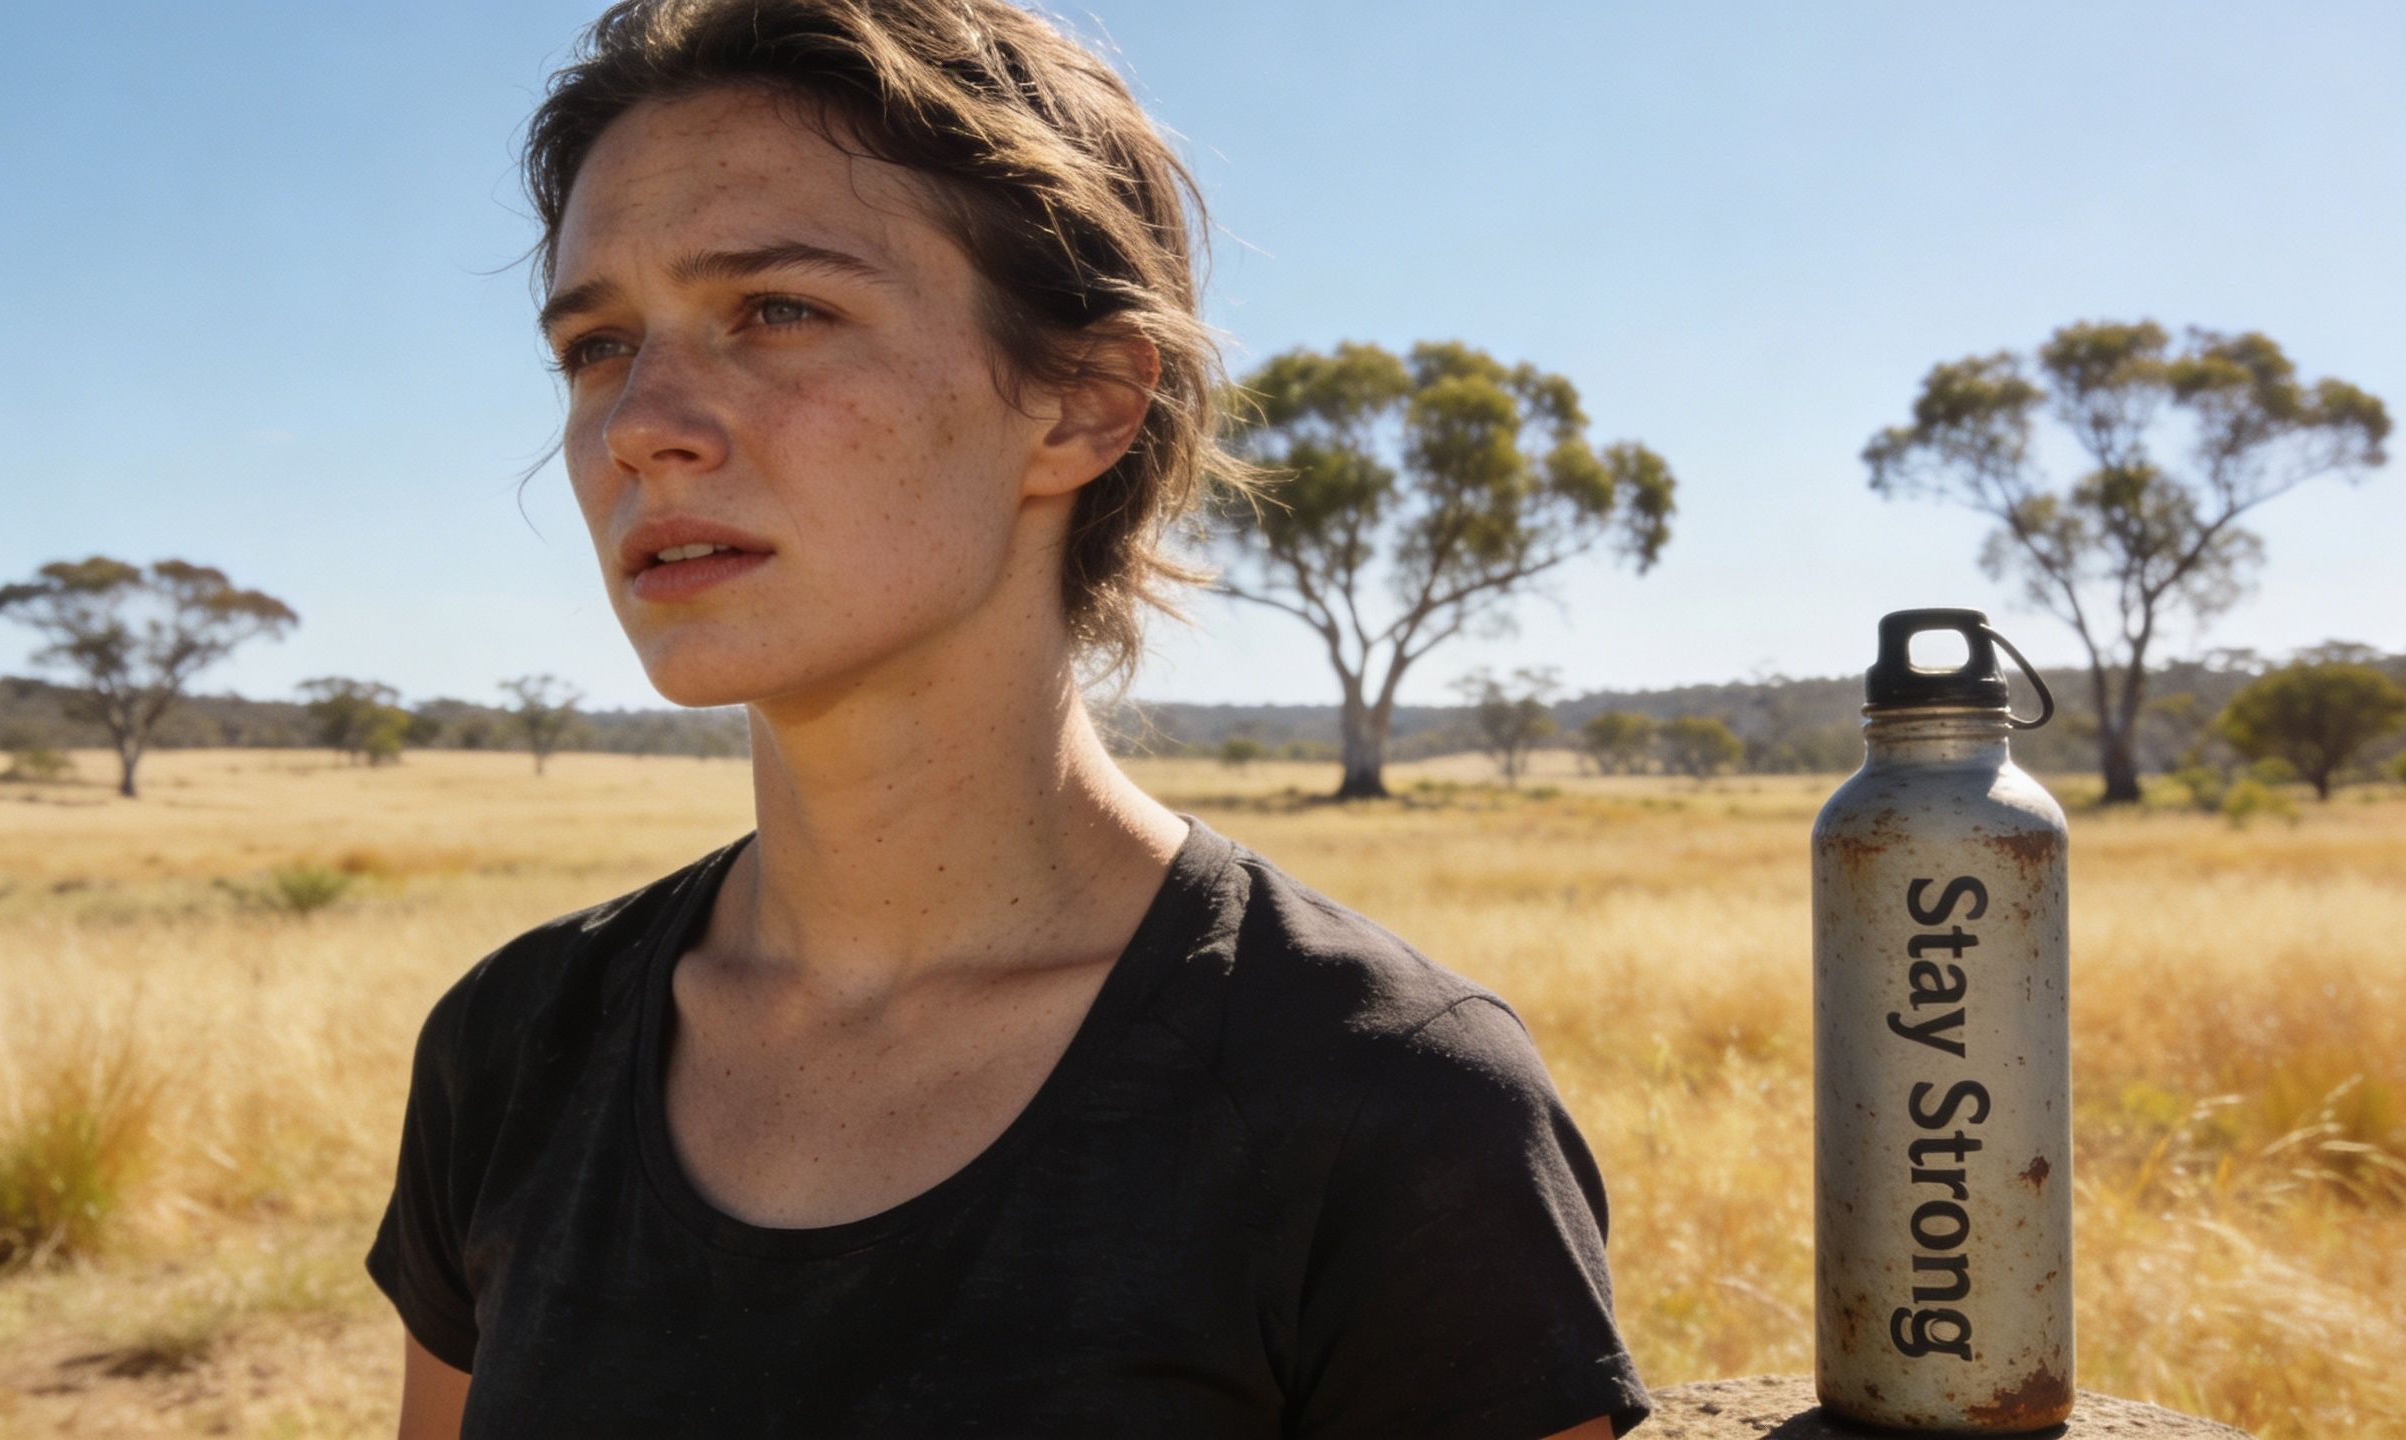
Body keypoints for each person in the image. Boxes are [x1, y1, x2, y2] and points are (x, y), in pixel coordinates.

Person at [364, 0, 1654, 1434]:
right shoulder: (513, 1047)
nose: (640, 424)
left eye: (779, 310)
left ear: (1083, 405)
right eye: (597, 344)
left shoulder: (1386, 1104)